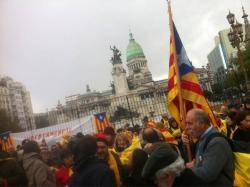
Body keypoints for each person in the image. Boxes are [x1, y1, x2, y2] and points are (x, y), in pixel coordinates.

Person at [176, 109, 234, 186]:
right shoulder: (203, 138)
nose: (186, 128)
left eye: (190, 123)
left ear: (202, 124)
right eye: (186, 124)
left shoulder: (216, 142)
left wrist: (184, 172)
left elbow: (207, 174)